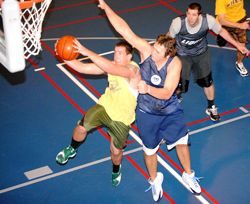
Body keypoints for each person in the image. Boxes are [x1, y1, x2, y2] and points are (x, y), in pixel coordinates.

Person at [98, 0, 201, 201]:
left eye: (157, 52)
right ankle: (154, 180)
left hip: (170, 111)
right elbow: (125, 30)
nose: (152, 52)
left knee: (182, 143)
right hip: (147, 113)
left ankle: (188, 175)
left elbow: (167, 92)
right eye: (154, 47)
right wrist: (106, 7)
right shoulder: (147, 51)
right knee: (149, 150)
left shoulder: (175, 65)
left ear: (167, 55)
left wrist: (147, 88)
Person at [55, 40, 141, 187]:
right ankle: (72, 148)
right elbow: (82, 67)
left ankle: (116, 169)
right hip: (105, 107)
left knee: (116, 152)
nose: (116, 56)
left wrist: (85, 51)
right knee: (82, 127)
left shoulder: (132, 70)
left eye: (120, 53)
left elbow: (112, 69)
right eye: (115, 52)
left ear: (129, 57)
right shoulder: (113, 66)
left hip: (121, 118)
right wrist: (63, 55)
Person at [168, 2, 249, 121]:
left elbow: (222, 31)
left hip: (201, 54)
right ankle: (177, 97)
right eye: (189, 14)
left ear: (199, 15)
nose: (190, 17)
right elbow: (168, 38)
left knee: (208, 82)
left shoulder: (208, 20)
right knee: (181, 86)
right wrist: (160, 54)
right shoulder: (178, 23)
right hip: (183, 55)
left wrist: (238, 45)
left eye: (194, 15)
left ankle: (211, 107)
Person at [215, 0, 250, 77]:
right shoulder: (220, 1)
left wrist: (241, 25)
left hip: (240, 19)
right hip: (225, 23)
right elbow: (221, 21)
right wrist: (240, 25)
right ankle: (222, 35)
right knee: (222, 36)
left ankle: (239, 63)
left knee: (242, 46)